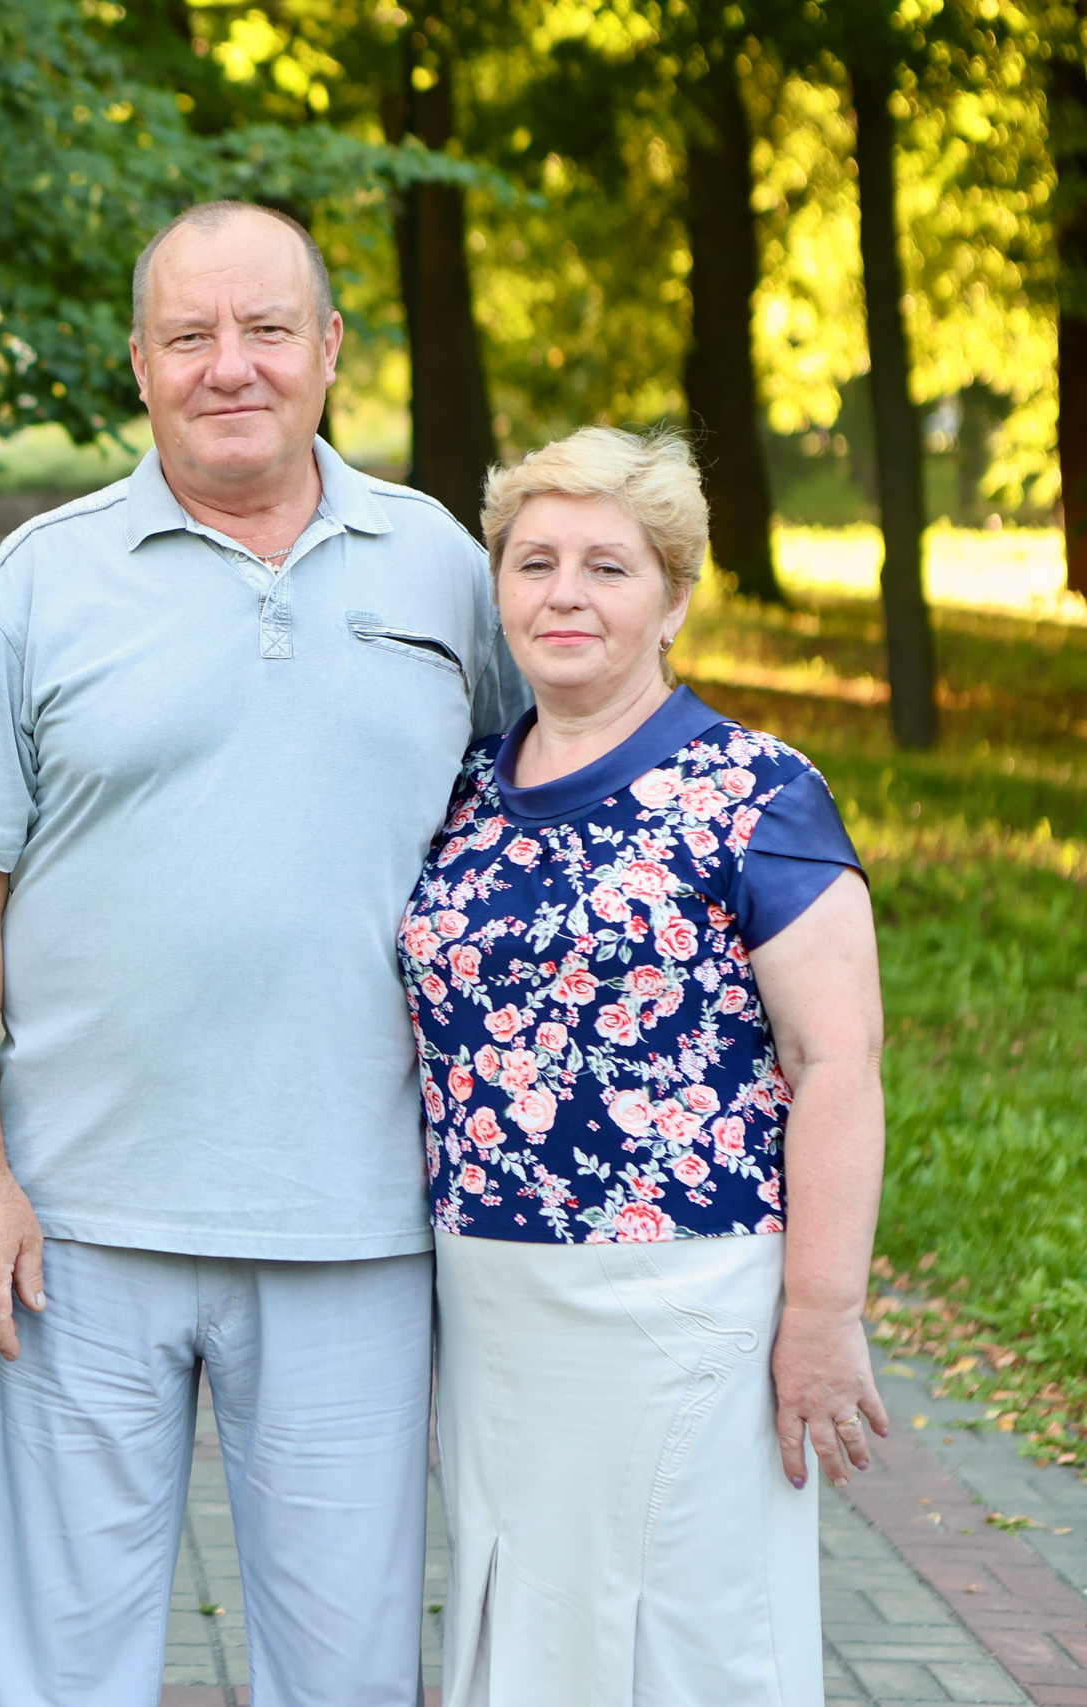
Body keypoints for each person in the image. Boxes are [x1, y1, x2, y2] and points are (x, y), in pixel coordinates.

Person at [0, 199, 529, 1707]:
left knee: (348, 1674)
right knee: (61, 1676)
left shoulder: (444, 565)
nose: (227, 365)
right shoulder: (40, 578)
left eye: (265, 329)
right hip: (74, 1228)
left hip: (360, 1221)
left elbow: (538, 819)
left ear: (330, 348)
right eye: (188, 335)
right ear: (139, 364)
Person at [406, 426, 885, 1704]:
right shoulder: (463, 790)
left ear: (674, 599)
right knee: (527, 1625)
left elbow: (836, 1061)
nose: (564, 594)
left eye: (607, 567)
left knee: (687, 1638)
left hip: (684, 1299)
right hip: (494, 1298)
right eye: (534, 563)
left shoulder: (756, 793)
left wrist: (821, 1316)